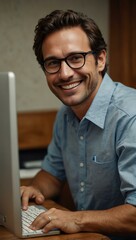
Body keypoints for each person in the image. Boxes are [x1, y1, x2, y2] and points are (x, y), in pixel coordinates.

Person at [21, 9, 136, 240]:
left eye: (75, 58)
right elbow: (52, 175)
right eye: (53, 63)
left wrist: (75, 219)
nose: (64, 74)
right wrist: (36, 189)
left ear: (100, 59)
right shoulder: (66, 114)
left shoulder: (130, 116)